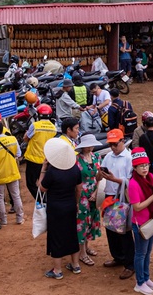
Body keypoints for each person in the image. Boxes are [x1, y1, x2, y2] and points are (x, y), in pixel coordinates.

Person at [128, 149, 153, 295]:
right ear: (135, 168)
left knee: (148, 252)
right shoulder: (133, 184)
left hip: (150, 221)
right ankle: (139, 282)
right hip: (140, 224)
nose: (145, 168)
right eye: (141, 166)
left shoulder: (150, 177)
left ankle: (146, 278)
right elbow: (137, 207)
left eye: (146, 165)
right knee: (140, 253)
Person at [98, 129, 135, 280]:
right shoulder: (108, 156)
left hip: (122, 198)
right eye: (111, 144)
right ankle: (118, 257)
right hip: (109, 196)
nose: (113, 147)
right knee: (111, 229)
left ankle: (130, 264)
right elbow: (101, 173)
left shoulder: (129, 157)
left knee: (124, 231)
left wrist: (113, 179)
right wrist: (100, 174)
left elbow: (130, 182)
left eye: (115, 144)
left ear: (122, 141)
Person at [41, 147, 83, 280]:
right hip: (70, 206)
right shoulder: (75, 169)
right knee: (72, 234)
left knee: (56, 236)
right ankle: (75, 265)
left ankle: (57, 270)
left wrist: (43, 169)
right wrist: (76, 203)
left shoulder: (52, 172)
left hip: (55, 208)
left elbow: (42, 188)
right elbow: (79, 188)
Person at [0, 120, 23, 225]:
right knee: (16, 195)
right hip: (12, 171)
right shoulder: (12, 139)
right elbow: (19, 154)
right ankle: (20, 218)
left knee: (0, 199)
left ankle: (3, 220)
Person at [75, 134, 104, 267]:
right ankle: (82, 253)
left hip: (94, 193)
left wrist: (96, 191)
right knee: (82, 223)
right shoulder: (76, 160)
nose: (91, 147)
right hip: (82, 195)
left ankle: (86, 247)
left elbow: (99, 177)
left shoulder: (96, 157)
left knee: (91, 221)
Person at [24, 104, 57, 197]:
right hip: (47, 160)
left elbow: (26, 138)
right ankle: (46, 200)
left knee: (31, 183)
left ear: (38, 114)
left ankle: (40, 201)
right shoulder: (53, 128)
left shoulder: (35, 126)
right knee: (45, 183)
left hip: (33, 160)